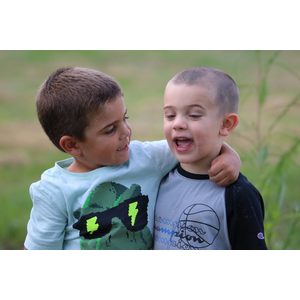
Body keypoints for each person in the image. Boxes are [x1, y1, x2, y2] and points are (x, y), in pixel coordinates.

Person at [24, 67, 241, 250]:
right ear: (72, 145)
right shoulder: (53, 190)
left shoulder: (146, 158)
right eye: (110, 129)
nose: (126, 132)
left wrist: (229, 156)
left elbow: (195, 143)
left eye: (124, 119)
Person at [154, 66, 267, 250]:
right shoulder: (156, 175)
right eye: (170, 115)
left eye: (194, 115)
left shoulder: (239, 195)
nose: (178, 124)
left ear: (226, 124)